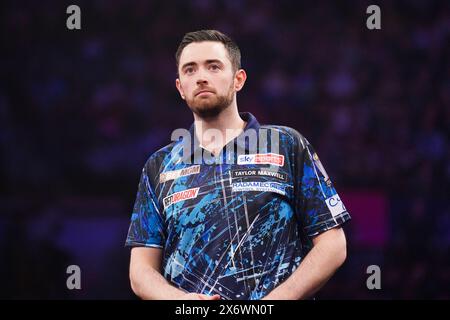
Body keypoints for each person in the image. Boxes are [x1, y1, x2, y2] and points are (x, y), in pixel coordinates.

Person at [125, 29, 350, 300]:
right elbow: (140, 271)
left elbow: (333, 244)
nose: (201, 77)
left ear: (238, 80)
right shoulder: (159, 166)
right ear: (180, 88)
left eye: (214, 66)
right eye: (190, 70)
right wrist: (182, 301)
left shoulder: (287, 145)